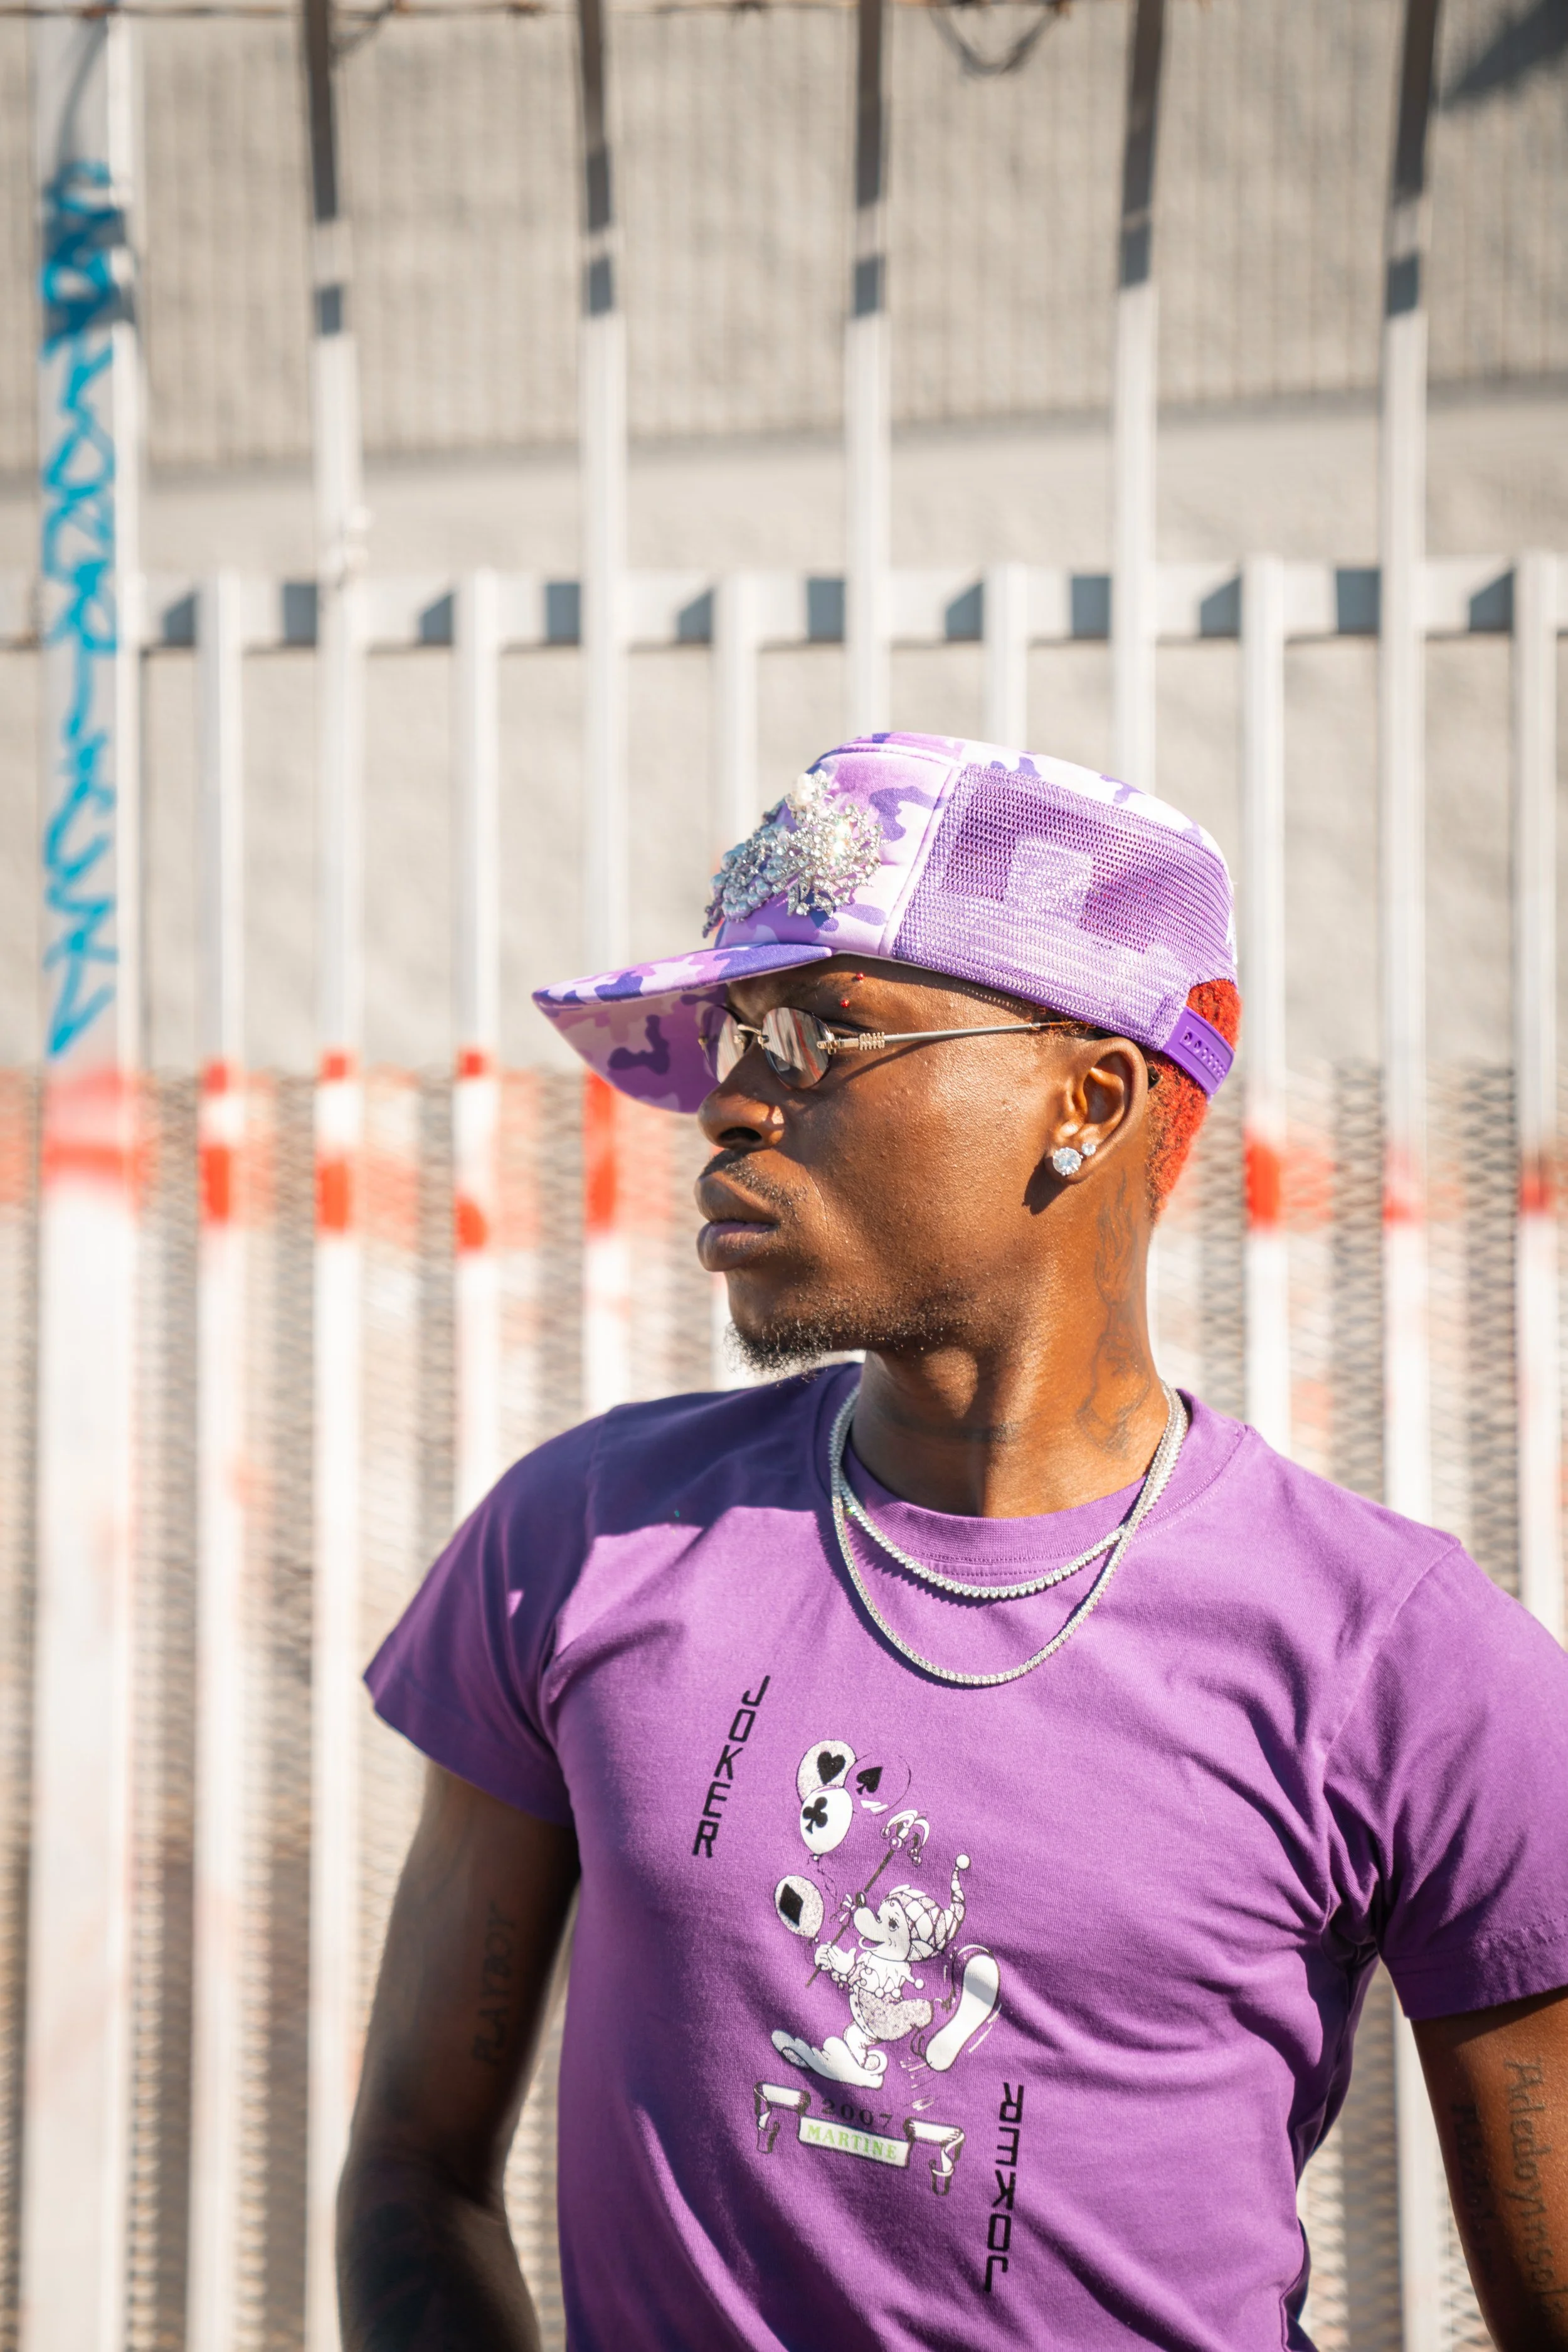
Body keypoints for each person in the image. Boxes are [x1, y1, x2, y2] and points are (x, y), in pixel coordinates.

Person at [340, 734, 1568, 2352]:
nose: (723, 1099)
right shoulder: (579, 1544)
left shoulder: (1403, 1661)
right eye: (726, 1032)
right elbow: (414, 2174)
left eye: (819, 1032)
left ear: (1091, 1099)